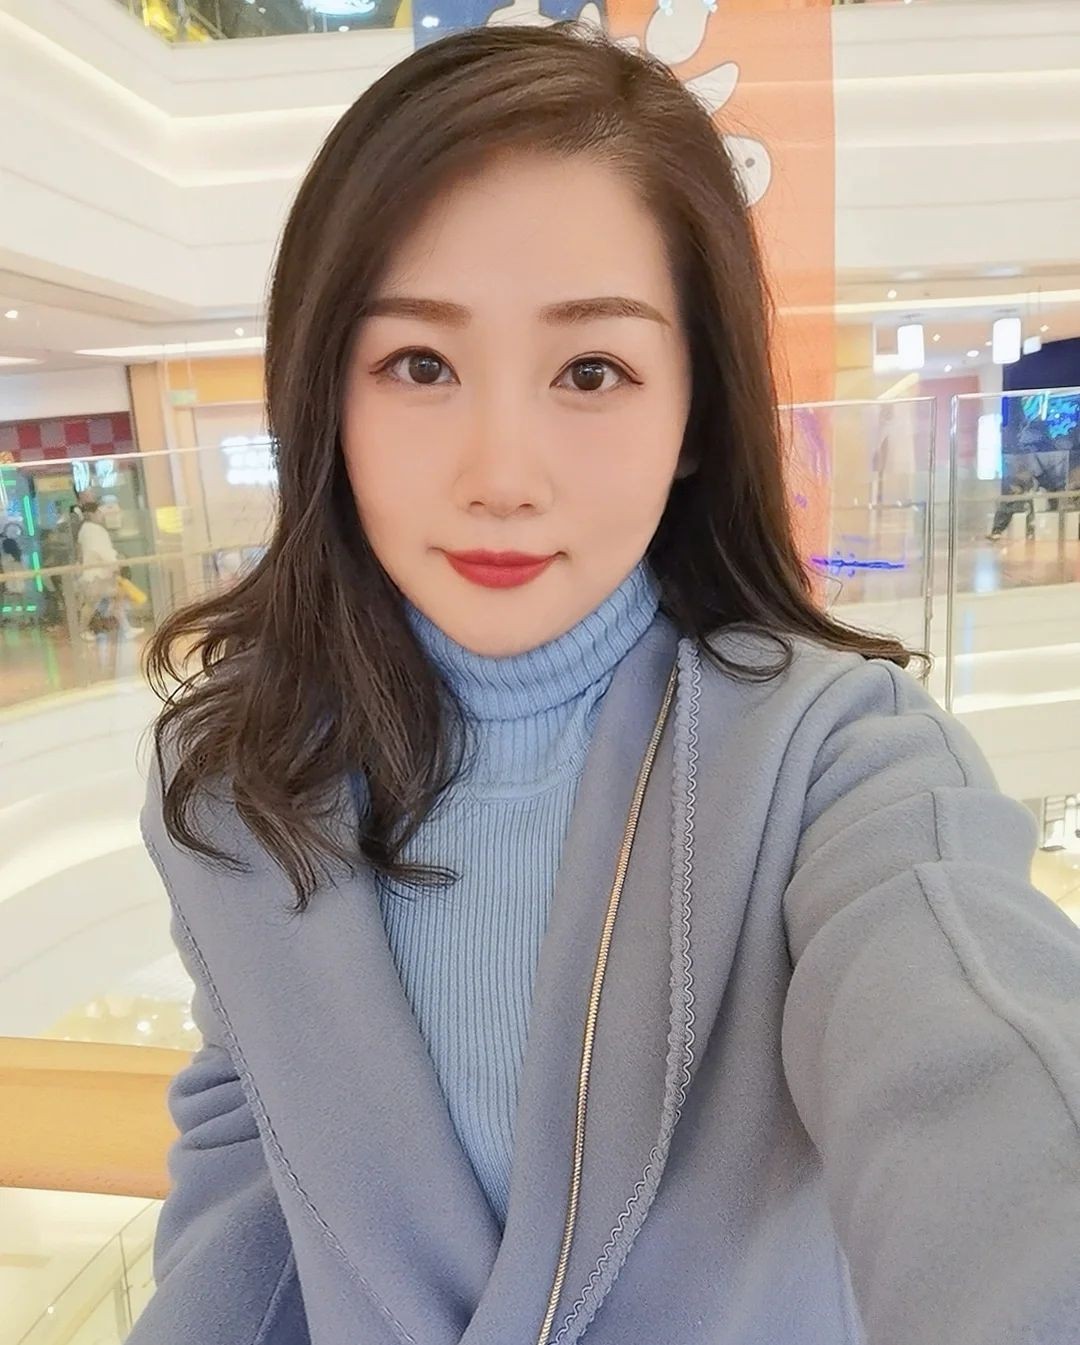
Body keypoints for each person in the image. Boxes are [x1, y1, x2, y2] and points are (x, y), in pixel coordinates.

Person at [131, 25, 1080, 1345]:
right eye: (419, 364)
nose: (501, 474)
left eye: (592, 371)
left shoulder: (836, 763)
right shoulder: (236, 783)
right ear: (324, 392)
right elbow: (254, 1187)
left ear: (695, 412)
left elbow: (976, 1068)